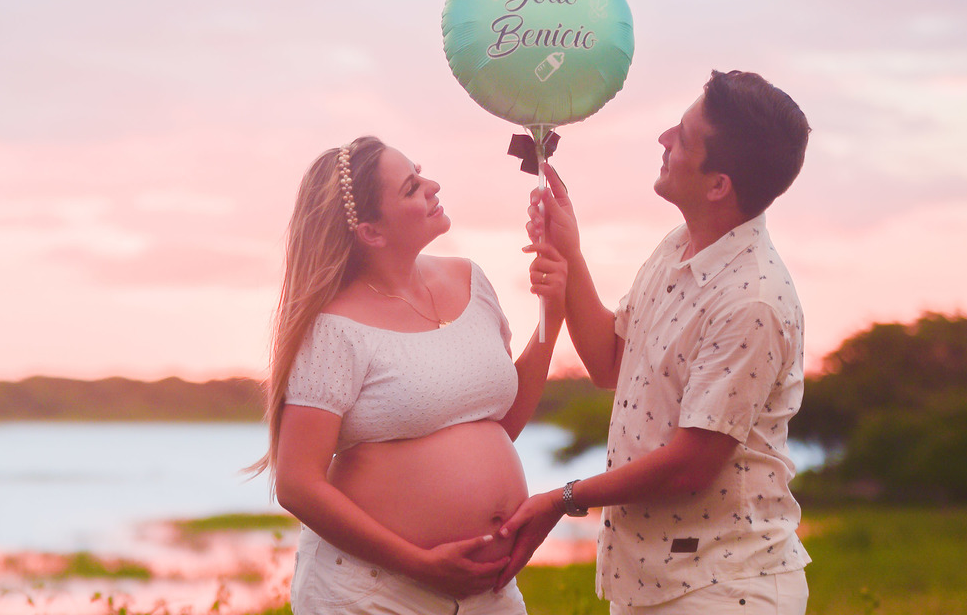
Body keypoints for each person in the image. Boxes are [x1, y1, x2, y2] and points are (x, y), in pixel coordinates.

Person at [495, 70, 813, 614]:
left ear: (719, 185)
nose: (663, 139)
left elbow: (690, 465)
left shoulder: (752, 300)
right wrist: (568, 249)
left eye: (683, 138)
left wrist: (562, 498)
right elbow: (610, 362)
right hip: (649, 583)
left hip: (723, 588)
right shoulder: (678, 245)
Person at [251, 135, 567, 614]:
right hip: (375, 592)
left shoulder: (470, 280)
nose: (433, 186)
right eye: (411, 187)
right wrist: (418, 563)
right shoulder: (333, 328)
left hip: (490, 595)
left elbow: (498, 424)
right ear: (371, 232)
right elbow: (297, 482)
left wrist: (553, 312)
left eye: (420, 174)